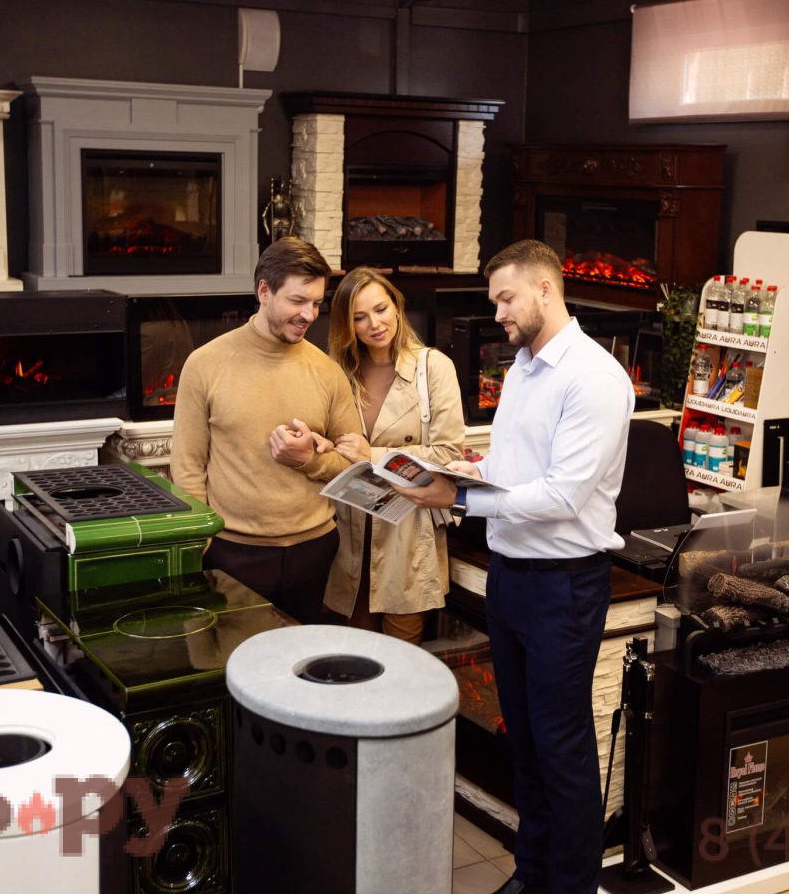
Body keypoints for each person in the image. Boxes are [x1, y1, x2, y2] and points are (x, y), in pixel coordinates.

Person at [396, 240, 634, 894]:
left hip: (564, 586)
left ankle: (572, 887)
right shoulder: (523, 368)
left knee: (561, 751)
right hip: (511, 578)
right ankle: (532, 877)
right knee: (524, 745)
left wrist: (460, 499)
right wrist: (462, 472)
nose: (497, 312)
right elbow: (513, 469)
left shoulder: (594, 377)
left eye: (506, 299)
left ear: (544, 290)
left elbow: (562, 496)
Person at [170, 238, 360, 624]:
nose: (309, 314)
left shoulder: (327, 372)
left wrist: (310, 460)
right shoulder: (204, 364)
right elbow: (188, 467)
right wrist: (202, 545)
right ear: (263, 291)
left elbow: (356, 467)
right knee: (230, 657)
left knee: (299, 659)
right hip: (231, 553)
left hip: (314, 550)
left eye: (316, 303)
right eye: (297, 301)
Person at [321, 266, 466, 646]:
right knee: (356, 656)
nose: (374, 324)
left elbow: (448, 454)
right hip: (348, 532)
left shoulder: (433, 367)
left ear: (397, 308)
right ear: (347, 325)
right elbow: (331, 443)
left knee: (401, 657)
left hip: (407, 532)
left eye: (381, 309)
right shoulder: (338, 372)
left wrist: (372, 453)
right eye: (359, 317)